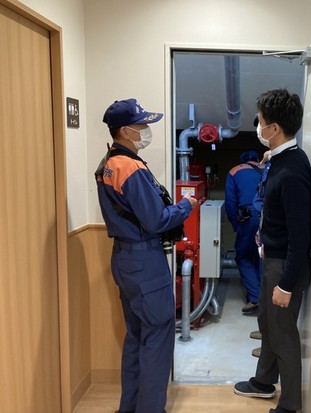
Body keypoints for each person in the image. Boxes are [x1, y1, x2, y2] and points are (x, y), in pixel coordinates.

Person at [95, 98, 198, 413]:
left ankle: (130, 407)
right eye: (141, 125)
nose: (146, 130)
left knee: (137, 336)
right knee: (157, 339)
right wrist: (186, 206)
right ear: (126, 131)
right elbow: (156, 220)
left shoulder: (108, 163)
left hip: (124, 259)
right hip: (145, 261)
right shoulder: (131, 168)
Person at [234, 89, 311, 413]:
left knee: (283, 336)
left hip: (284, 266)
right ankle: (263, 382)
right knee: (267, 324)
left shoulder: (293, 172)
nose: (258, 127)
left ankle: (290, 405)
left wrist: (286, 284)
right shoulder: (281, 160)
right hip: (272, 258)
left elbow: (300, 236)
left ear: (275, 128)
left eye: (261, 122)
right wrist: (269, 160)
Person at [225, 150, 265, 314]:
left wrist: (236, 225)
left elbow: (230, 203)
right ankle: (267, 298)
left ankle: (256, 297)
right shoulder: (268, 168)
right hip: (269, 217)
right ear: (257, 159)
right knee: (263, 255)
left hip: (249, 219)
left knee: (243, 256)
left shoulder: (234, 171)